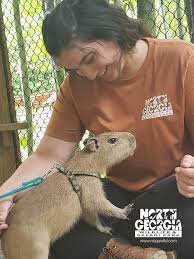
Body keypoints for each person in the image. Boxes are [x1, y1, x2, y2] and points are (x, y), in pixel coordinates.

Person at [1, 0, 194, 258]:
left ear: (111, 29)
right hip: (115, 197)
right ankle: (123, 250)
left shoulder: (181, 59)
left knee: (181, 229)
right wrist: (6, 194)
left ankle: (119, 245)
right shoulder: (76, 85)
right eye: (75, 70)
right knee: (41, 224)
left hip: (173, 193)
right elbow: (49, 155)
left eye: (90, 58)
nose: (89, 75)